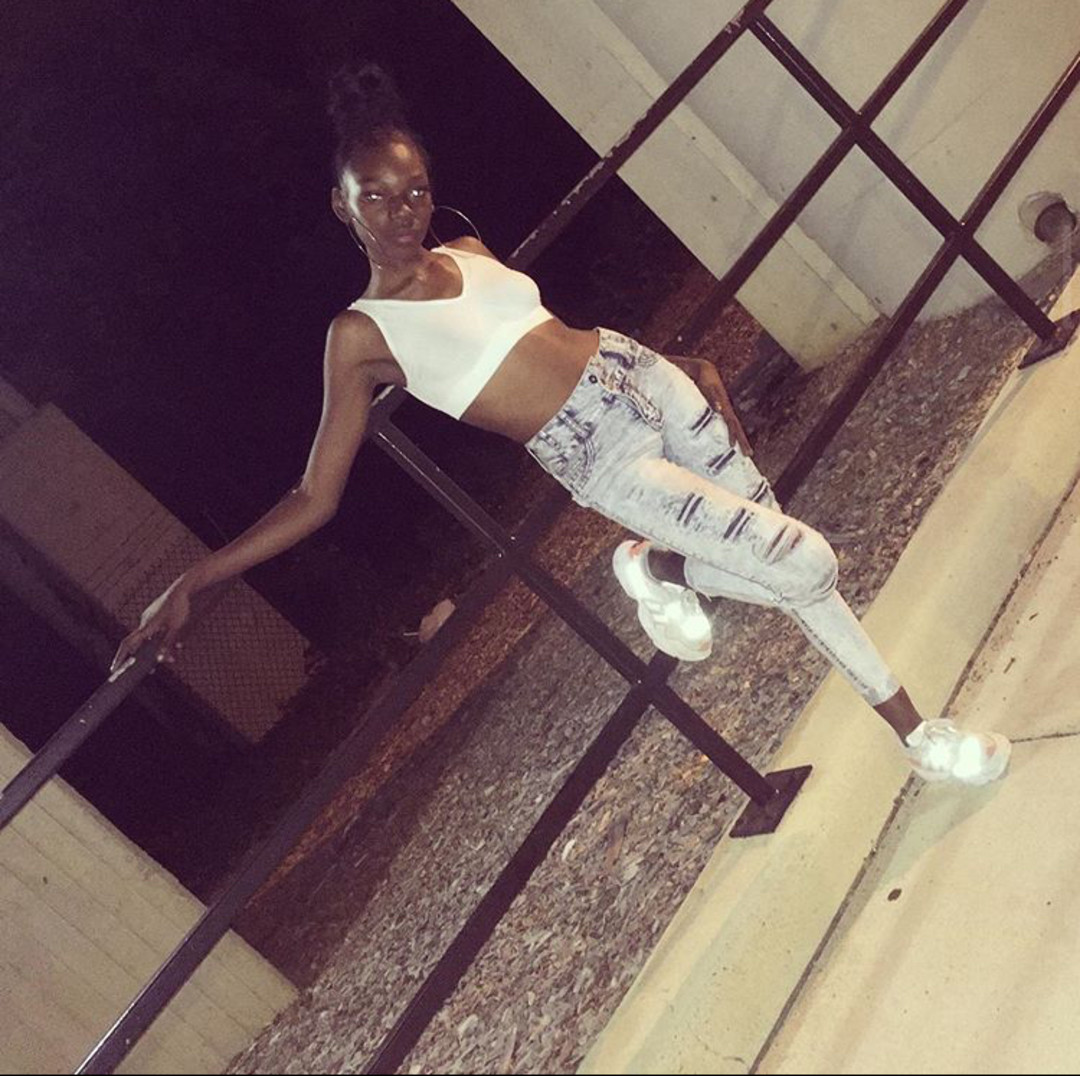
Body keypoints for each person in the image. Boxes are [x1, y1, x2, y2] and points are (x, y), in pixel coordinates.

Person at [111, 63, 1009, 786]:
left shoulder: (467, 249)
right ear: (341, 204)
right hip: (598, 453)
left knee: (782, 553)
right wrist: (197, 578)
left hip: (645, 377)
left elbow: (553, 335)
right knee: (802, 562)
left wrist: (683, 364)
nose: (401, 211)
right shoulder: (360, 335)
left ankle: (916, 735)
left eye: (415, 190)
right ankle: (668, 576)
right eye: (375, 197)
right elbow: (315, 494)